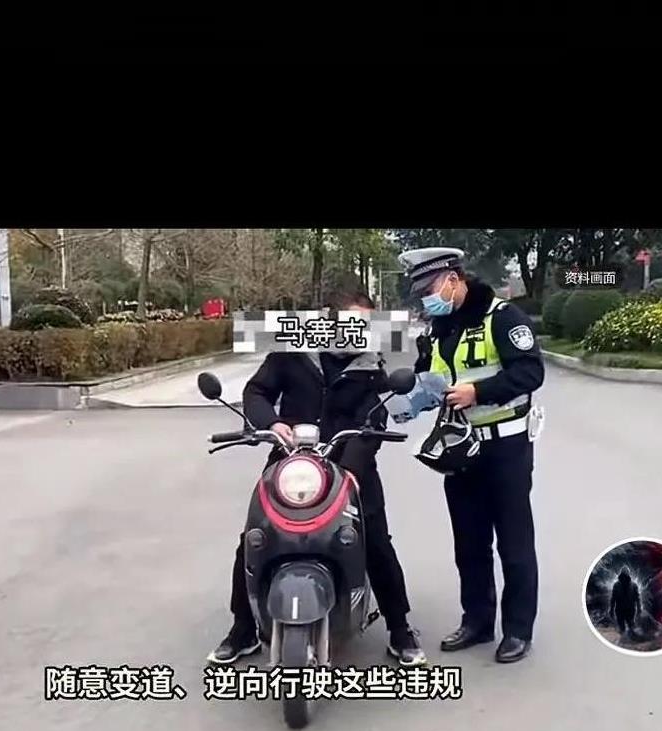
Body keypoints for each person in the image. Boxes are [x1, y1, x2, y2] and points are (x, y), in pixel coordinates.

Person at [209, 280, 425, 666]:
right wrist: (272, 423)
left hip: (351, 463)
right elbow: (256, 392)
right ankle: (242, 629)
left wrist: (352, 469)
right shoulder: (293, 350)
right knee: (254, 539)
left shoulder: (372, 362)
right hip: (290, 464)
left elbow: (375, 416)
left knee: (374, 539)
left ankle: (400, 628)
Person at [402, 248, 545, 663]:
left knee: (514, 543)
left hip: (505, 447)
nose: (428, 299)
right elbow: (430, 376)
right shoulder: (438, 328)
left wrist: (477, 392)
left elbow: (530, 372)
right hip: (460, 448)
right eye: (421, 293)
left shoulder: (503, 317)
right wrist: (412, 399)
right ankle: (478, 622)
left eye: (430, 289)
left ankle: (517, 630)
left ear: (453, 279)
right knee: (469, 543)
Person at [610, 567, 640, 634]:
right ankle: (626, 637)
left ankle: (627, 637)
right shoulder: (617, 585)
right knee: (626, 627)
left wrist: (639, 609)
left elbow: (637, 599)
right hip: (623, 610)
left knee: (628, 627)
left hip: (627, 610)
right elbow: (613, 598)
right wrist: (611, 610)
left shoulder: (633, 585)